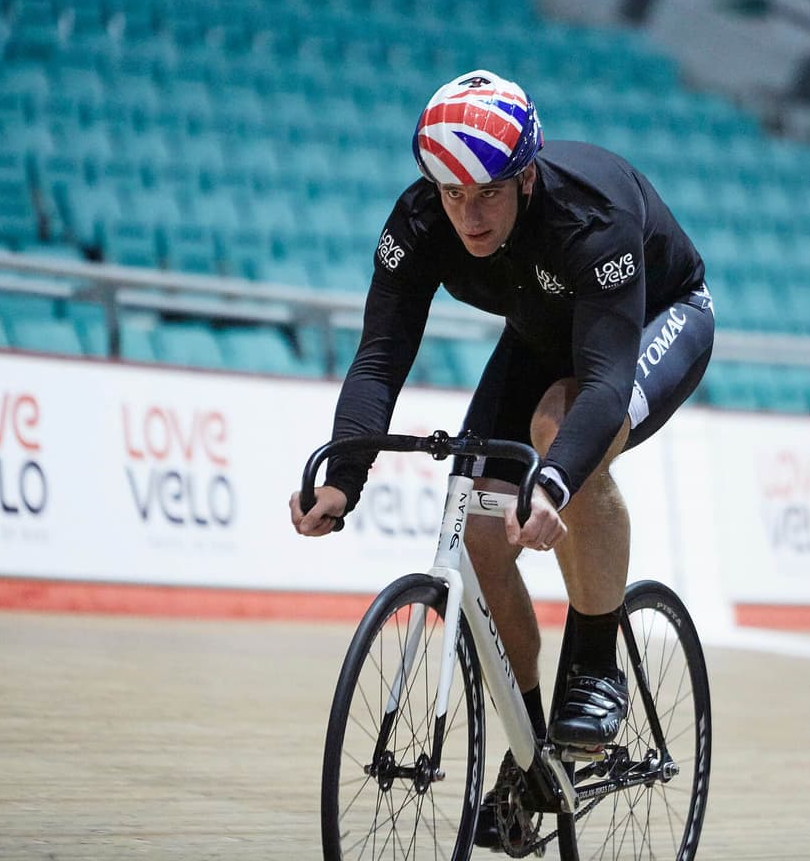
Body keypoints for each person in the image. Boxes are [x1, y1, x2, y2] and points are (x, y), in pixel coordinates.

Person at [289, 68, 713, 842]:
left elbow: (609, 379)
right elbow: (381, 356)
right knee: (480, 528)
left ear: (524, 178)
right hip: (540, 333)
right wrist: (344, 477)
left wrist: (553, 484)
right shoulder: (422, 219)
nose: (467, 216)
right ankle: (528, 748)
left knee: (560, 431)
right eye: (451, 195)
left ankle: (593, 667)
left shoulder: (593, 214)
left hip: (655, 321)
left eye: (485, 194)